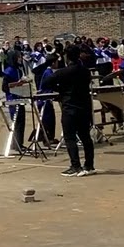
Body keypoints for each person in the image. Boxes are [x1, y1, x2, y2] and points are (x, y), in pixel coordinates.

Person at [47, 44, 96, 177]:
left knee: (70, 138)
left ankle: (75, 166)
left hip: (69, 108)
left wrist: (60, 90)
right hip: (84, 108)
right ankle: (89, 165)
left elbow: (46, 82)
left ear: (66, 57)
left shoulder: (62, 72)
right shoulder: (86, 71)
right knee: (86, 137)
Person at [0, 56, 30, 152]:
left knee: (21, 121)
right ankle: (16, 144)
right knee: (16, 122)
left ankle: (18, 143)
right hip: (12, 99)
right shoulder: (8, 72)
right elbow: (4, 87)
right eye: (18, 58)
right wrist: (17, 83)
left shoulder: (18, 70)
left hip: (20, 97)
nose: (20, 60)